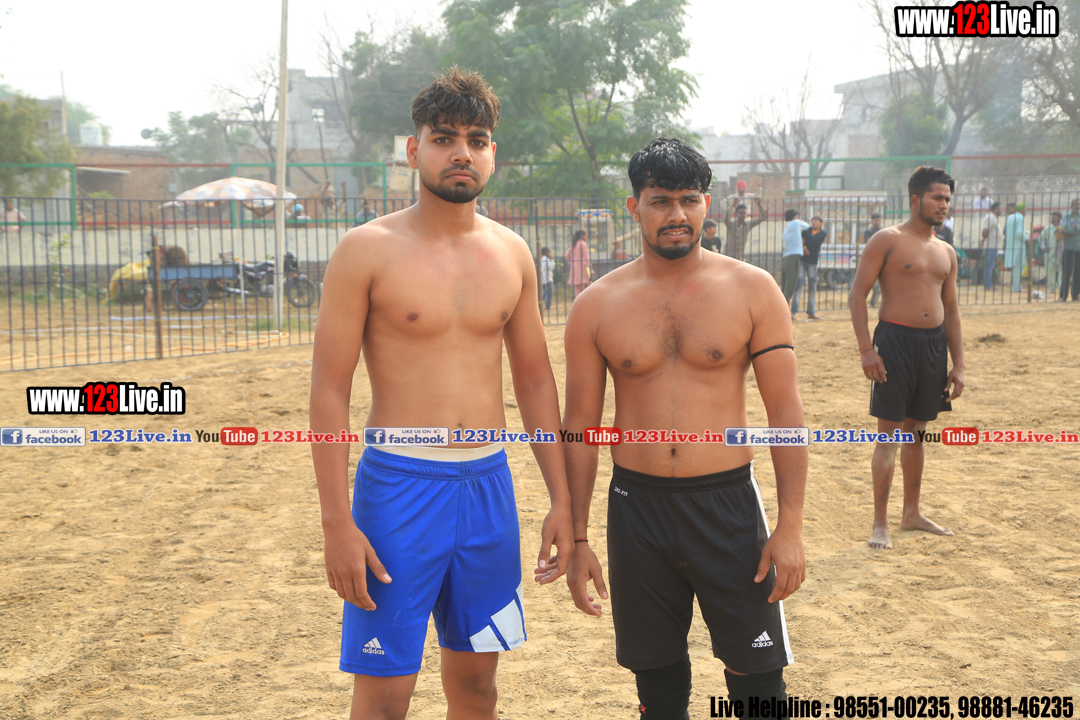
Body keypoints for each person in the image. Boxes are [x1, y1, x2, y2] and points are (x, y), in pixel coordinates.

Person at [309, 68, 573, 720]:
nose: (462, 152)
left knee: (479, 688)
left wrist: (562, 499)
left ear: (493, 155)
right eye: (444, 137)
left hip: (488, 488)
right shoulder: (366, 250)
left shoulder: (512, 253)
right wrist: (337, 522)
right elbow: (330, 389)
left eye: (477, 140)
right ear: (413, 149)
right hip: (397, 489)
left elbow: (535, 381)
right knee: (384, 694)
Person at [553, 137, 806, 720]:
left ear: (706, 205)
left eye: (689, 199)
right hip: (636, 507)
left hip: (726, 505)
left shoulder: (753, 289)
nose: (676, 214)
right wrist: (581, 536)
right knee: (658, 682)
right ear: (634, 207)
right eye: (660, 200)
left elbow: (785, 414)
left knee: (758, 679)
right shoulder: (596, 304)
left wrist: (790, 525)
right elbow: (580, 427)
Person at [849, 166, 964, 551]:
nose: (944, 205)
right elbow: (858, 294)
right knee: (889, 436)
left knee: (917, 433)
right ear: (916, 200)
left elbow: (952, 310)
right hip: (894, 342)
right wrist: (867, 349)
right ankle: (880, 523)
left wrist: (958, 364)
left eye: (947, 199)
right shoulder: (887, 240)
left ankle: (911, 513)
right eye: (937, 197)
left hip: (933, 346)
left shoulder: (947, 251)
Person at [792, 216, 826, 320]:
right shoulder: (806, 231)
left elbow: (816, 241)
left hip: (813, 262)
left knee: (812, 288)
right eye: (812, 220)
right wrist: (804, 247)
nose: (813, 222)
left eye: (816, 221)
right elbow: (801, 242)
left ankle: (811, 312)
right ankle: (793, 313)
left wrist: (806, 239)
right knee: (798, 286)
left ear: (821, 223)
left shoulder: (822, 233)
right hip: (802, 260)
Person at [781, 209, 809, 313]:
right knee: (790, 284)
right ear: (794, 216)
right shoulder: (796, 223)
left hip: (786, 257)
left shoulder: (786, 228)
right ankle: (784, 310)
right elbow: (808, 227)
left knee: (785, 284)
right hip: (793, 257)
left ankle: (781, 306)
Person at [723, 197, 766, 261]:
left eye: (744, 213)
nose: (742, 214)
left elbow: (764, 217)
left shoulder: (748, 224)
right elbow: (726, 218)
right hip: (728, 256)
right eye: (740, 213)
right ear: (736, 214)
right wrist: (732, 206)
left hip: (739, 257)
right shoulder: (731, 225)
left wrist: (759, 204)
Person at [1004, 202, 1029, 294]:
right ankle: (1017, 288)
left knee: (1015, 268)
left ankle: (1017, 287)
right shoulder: (1020, 217)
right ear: (1023, 210)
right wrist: (1028, 238)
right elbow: (1019, 233)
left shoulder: (1010, 217)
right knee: (1018, 268)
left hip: (1010, 246)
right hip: (1018, 246)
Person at [1060, 198, 1080, 301]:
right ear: (1071, 206)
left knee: (1078, 273)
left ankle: (1075, 295)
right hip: (1068, 248)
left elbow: (1071, 228)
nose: (1077, 206)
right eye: (1075, 204)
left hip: (1078, 249)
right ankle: (1063, 296)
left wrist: (1075, 227)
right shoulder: (1066, 217)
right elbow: (1064, 228)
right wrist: (1076, 229)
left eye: (1078, 204)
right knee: (1066, 273)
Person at [980, 201, 1003, 290]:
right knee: (989, 266)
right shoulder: (990, 217)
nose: (1002, 210)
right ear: (996, 209)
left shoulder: (993, 217)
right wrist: (983, 239)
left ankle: (990, 284)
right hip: (991, 246)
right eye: (1000, 208)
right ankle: (988, 285)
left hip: (994, 246)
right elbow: (985, 231)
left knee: (991, 266)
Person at [863, 213, 884, 307]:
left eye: (879, 220)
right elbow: (869, 242)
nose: (877, 222)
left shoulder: (884, 231)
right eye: (876, 220)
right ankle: (871, 302)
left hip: (883, 258)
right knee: (871, 284)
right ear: (871, 221)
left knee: (879, 285)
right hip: (871, 259)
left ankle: (873, 302)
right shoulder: (868, 231)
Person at [565, 229, 592, 299]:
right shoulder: (583, 244)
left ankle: (578, 301)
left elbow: (566, 255)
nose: (586, 237)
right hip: (582, 267)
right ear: (582, 236)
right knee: (588, 284)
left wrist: (572, 262)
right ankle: (586, 300)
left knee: (577, 287)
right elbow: (586, 257)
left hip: (574, 268)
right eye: (586, 235)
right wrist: (590, 268)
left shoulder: (574, 244)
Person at [1045, 211, 1063, 297]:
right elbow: (1041, 239)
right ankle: (1053, 287)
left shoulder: (1063, 228)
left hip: (1062, 252)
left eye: (1054, 217)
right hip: (1051, 253)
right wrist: (1043, 247)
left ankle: (1061, 287)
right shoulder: (1047, 228)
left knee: (1062, 271)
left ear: (1059, 218)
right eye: (1052, 217)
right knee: (1050, 271)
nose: (1053, 219)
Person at [540, 245, 556, 320]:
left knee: (546, 291)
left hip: (543, 279)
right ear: (545, 252)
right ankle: (548, 306)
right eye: (549, 252)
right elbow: (551, 267)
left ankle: (540, 297)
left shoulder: (541, 259)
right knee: (549, 292)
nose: (550, 254)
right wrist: (552, 260)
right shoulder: (546, 259)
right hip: (548, 279)